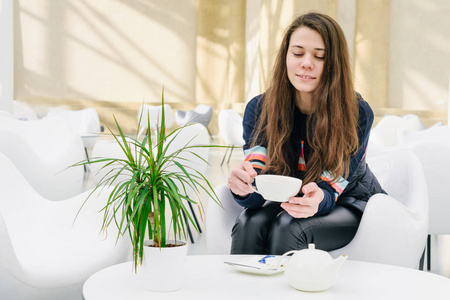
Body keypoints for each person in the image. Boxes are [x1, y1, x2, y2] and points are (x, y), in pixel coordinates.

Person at [227, 12, 385, 255]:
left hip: (349, 201)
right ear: (285, 57)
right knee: (250, 222)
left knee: (289, 227)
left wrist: (317, 198)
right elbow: (257, 178)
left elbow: (333, 184)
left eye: (319, 56)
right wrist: (245, 188)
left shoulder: (357, 112)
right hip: (293, 199)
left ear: (334, 64)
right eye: (297, 53)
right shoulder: (259, 109)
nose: (306, 63)